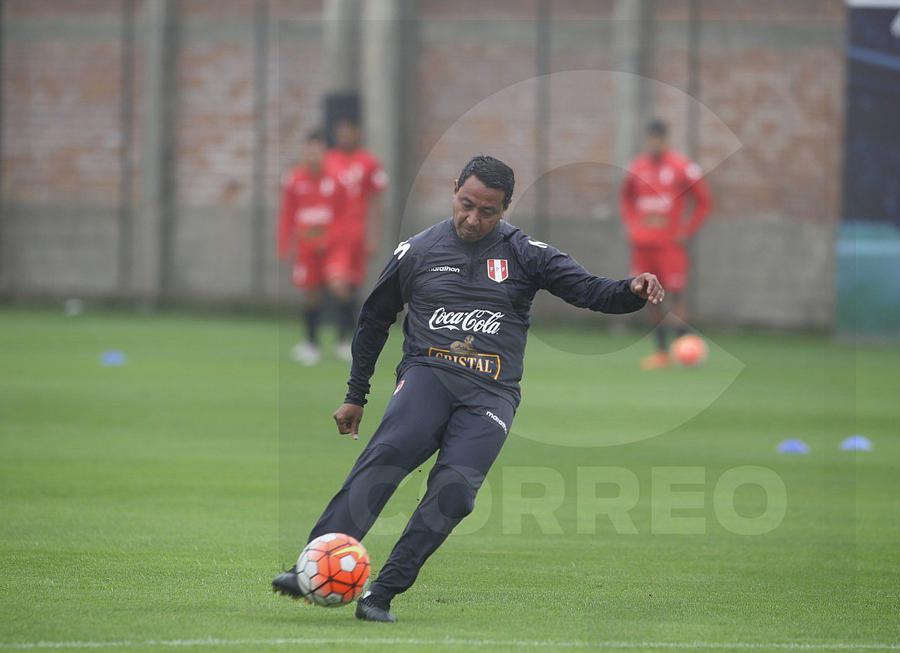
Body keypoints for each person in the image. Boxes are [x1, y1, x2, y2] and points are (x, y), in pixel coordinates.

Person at [272, 155, 664, 622]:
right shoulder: (417, 251)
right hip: (427, 376)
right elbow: (375, 319)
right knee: (383, 460)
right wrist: (357, 394)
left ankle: (382, 593)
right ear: (455, 189)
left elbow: (592, 292)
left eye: (487, 211)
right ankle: (310, 566)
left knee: (455, 495)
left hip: (491, 394)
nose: (473, 218)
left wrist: (632, 290)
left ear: (505, 208)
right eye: (466, 204)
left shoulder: (526, 253)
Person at [620, 119, 712, 369]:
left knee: (676, 295)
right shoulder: (637, 167)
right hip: (643, 245)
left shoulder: (682, 167)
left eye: (658, 138)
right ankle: (661, 353)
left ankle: (684, 348)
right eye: (650, 139)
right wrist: (633, 225)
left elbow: (704, 201)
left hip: (670, 245)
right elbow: (626, 199)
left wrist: (686, 230)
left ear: (665, 140)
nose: (654, 143)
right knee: (650, 296)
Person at [277, 130, 347, 366]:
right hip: (307, 247)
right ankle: (311, 343)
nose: (312, 154)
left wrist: (328, 240)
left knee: (339, 287)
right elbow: (288, 214)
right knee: (311, 294)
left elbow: (343, 215)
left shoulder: (336, 180)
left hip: (332, 245)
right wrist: (285, 244)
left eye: (316, 149)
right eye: (308, 149)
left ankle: (344, 340)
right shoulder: (294, 179)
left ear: (324, 152)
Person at [320, 117, 388, 362]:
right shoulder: (328, 161)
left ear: (357, 133)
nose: (344, 136)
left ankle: (345, 339)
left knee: (351, 285)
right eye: (340, 132)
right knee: (337, 284)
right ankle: (352, 333)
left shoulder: (369, 163)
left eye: (348, 131)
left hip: (357, 235)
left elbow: (376, 203)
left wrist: (374, 236)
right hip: (334, 235)